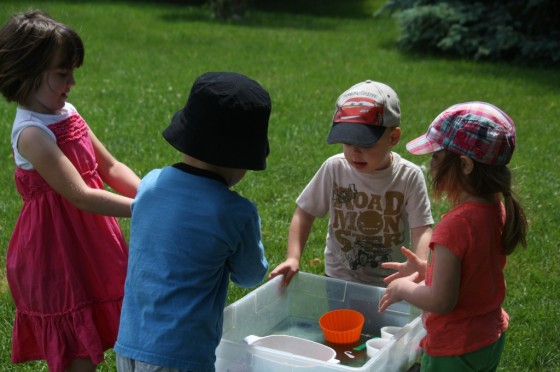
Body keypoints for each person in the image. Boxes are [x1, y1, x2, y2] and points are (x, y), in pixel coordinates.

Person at [0, 9, 140, 372]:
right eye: (62, 73)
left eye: (72, 71)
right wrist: (145, 209)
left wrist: (151, 194)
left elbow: (110, 168)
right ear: (27, 73)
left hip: (90, 241)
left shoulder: (68, 112)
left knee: (103, 326)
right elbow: (79, 194)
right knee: (77, 352)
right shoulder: (31, 133)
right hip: (55, 252)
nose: (72, 82)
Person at [114, 71, 271, 372]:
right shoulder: (235, 212)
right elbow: (250, 275)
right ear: (244, 159)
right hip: (181, 355)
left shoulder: (150, 184)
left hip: (130, 343)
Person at [378, 102, 528, 371]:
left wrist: (403, 288)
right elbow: (474, 274)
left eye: (436, 157)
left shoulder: (455, 226)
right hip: (488, 336)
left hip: (455, 347)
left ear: (465, 165)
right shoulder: (496, 208)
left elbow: (442, 301)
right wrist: (428, 271)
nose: (430, 164)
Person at [269, 80, 433, 287]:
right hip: (339, 275)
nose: (355, 152)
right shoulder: (334, 168)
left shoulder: (408, 176)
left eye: (366, 143)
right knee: (342, 320)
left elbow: (422, 229)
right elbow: (304, 212)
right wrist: (293, 257)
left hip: (391, 279)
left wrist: (419, 266)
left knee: (387, 322)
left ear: (393, 137)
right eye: (347, 142)